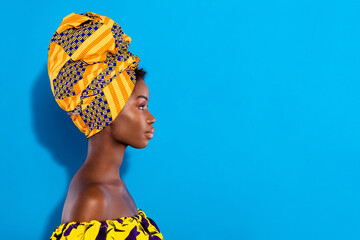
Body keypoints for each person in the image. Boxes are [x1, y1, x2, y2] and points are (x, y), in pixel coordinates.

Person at [47, 12, 164, 240]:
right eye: (141, 106)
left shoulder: (116, 186)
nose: (151, 117)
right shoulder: (93, 199)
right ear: (108, 111)